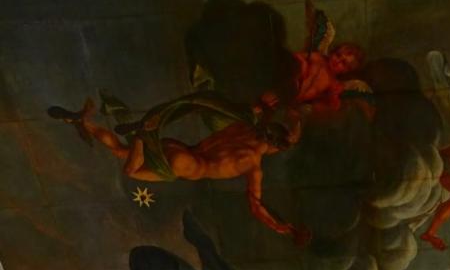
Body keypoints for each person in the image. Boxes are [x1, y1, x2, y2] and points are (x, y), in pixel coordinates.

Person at [48, 97, 310, 244]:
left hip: (178, 148)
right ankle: (141, 135)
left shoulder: (244, 129)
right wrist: (280, 226)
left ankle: (83, 121)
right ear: (274, 147)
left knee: (120, 151)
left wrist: (287, 115)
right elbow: (255, 205)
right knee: (131, 171)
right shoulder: (253, 164)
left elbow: (260, 112)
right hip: (186, 165)